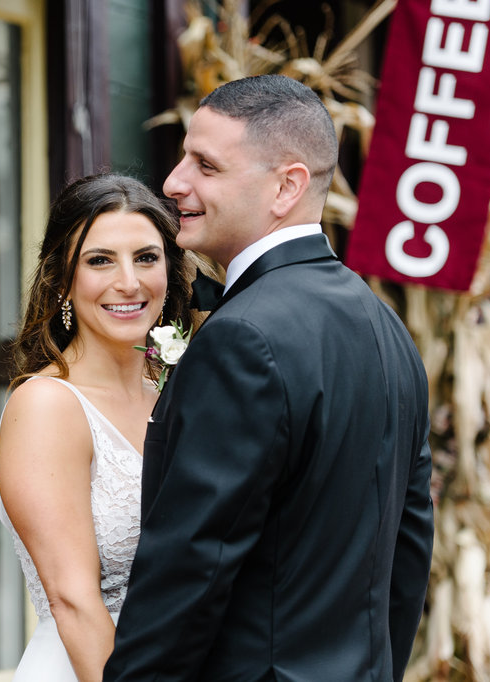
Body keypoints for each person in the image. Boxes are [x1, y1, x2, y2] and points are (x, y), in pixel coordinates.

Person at [103, 75, 434, 681]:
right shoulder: (388, 329)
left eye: (206, 165)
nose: (174, 182)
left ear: (287, 186)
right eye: (182, 158)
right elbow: (406, 557)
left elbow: (190, 570)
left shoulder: (242, 337)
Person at [0, 173, 209, 681]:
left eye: (146, 257)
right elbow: (73, 601)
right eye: (100, 261)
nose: (129, 282)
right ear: (63, 279)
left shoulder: (177, 391)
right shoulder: (47, 405)